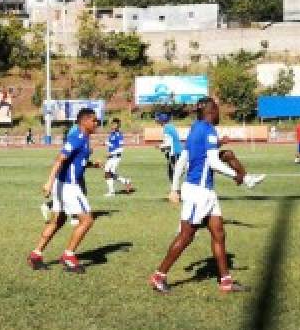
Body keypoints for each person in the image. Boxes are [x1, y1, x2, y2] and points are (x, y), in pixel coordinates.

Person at [149, 98, 266, 294]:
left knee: (219, 233)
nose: (220, 114)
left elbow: (183, 160)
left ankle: (226, 281)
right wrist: (240, 176)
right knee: (186, 236)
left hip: (204, 191)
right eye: (218, 110)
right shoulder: (209, 130)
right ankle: (158, 276)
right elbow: (213, 162)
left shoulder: (195, 128)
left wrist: (174, 188)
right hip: (199, 192)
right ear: (212, 111)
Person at [28, 108, 101, 273]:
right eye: (94, 120)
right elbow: (59, 160)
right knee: (87, 220)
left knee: (57, 222)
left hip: (63, 185)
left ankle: (35, 255)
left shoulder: (85, 139)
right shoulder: (77, 138)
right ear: (84, 121)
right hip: (69, 187)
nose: (97, 123)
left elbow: (74, 163)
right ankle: (68, 256)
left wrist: (91, 164)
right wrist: (48, 182)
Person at [103, 118, 134, 196]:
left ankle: (112, 192)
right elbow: (112, 144)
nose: (112, 126)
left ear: (118, 126)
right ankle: (125, 181)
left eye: (114, 124)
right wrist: (105, 143)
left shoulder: (119, 135)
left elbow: (120, 148)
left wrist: (111, 153)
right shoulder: (112, 134)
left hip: (115, 157)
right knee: (109, 173)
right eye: (112, 124)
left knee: (108, 173)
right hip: (111, 157)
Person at [157, 113, 183, 184]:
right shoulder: (171, 126)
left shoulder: (166, 128)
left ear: (162, 121)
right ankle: (176, 190)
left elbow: (168, 144)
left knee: (172, 173)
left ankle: (175, 191)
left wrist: (160, 146)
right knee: (174, 172)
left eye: (159, 120)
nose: (158, 122)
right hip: (178, 151)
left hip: (174, 153)